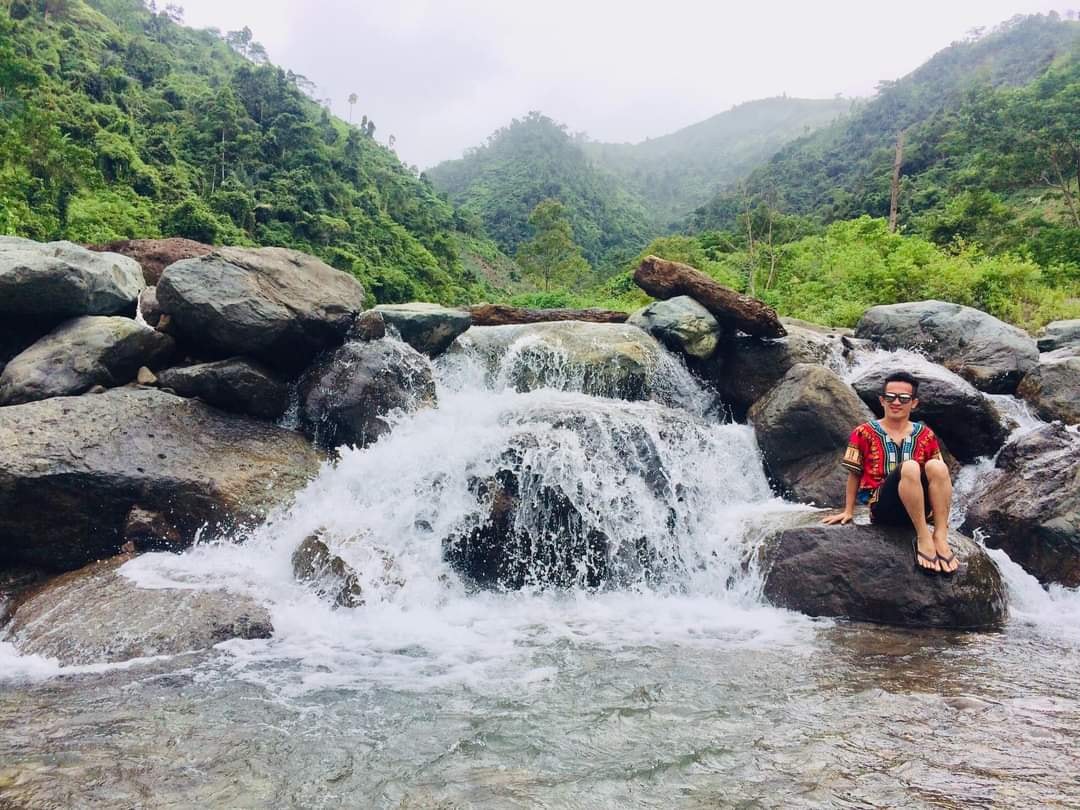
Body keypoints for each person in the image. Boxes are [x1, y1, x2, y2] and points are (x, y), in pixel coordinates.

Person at [821, 371, 958, 574]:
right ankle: (923, 537)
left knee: (938, 467)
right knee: (910, 466)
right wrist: (848, 511)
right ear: (881, 401)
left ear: (914, 403)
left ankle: (940, 536)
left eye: (903, 398)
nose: (896, 402)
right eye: (890, 397)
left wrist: (942, 523)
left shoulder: (926, 435)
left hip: (919, 506)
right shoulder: (863, 432)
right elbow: (854, 474)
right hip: (884, 507)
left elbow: (940, 481)